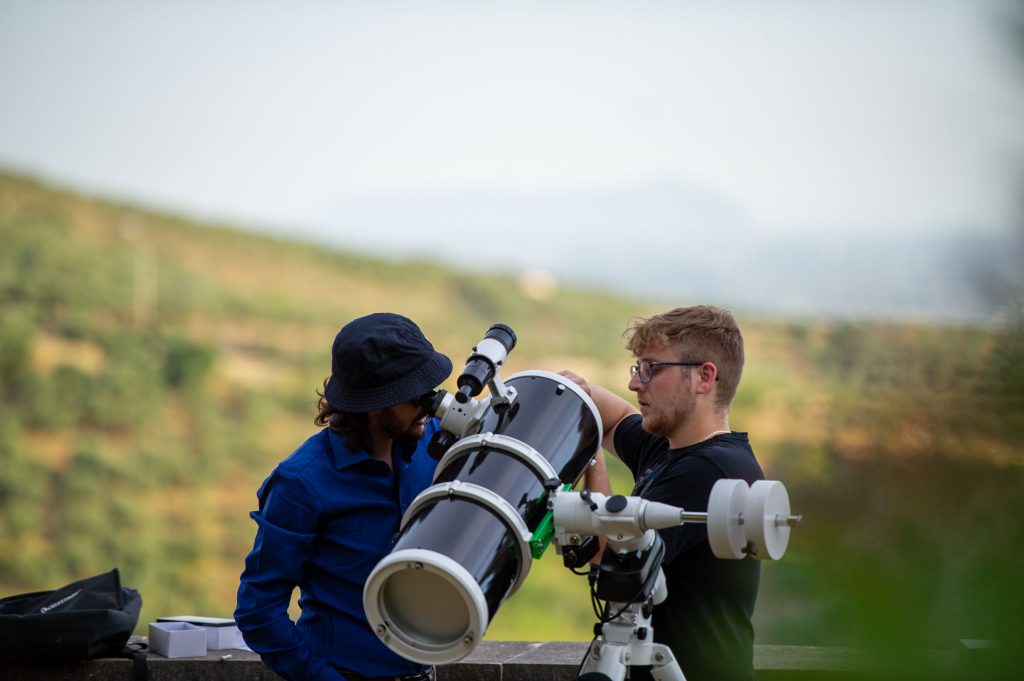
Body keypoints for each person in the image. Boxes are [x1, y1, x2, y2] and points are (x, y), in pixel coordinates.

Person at [235, 312, 452, 681]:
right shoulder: (301, 483)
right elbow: (258, 611)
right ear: (374, 404)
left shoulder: (432, 440)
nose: (429, 403)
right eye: (414, 394)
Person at [562, 305, 764, 681]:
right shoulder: (669, 449)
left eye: (652, 369)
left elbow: (611, 555)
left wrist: (589, 457)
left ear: (704, 377)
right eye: (638, 368)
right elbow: (617, 418)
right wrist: (574, 393)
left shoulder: (711, 471)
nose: (636, 383)